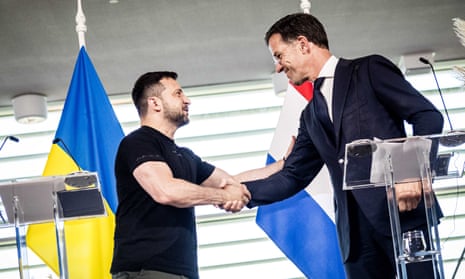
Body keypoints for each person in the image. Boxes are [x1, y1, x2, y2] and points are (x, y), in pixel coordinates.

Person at [241, 13, 444, 279]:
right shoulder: (310, 116)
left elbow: (427, 116)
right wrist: (239, 192)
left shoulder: (369, 71)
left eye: (279, 56)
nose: (278, 67)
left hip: (401, 218)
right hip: (356, 241)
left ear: (303, 44)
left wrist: (410, 173)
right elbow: (292, 176)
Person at [110, 71, 286, 279]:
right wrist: (223, 196)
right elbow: (166, 191)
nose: (187, 100)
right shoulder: (138, 142)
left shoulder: (184, 156)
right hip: (146, 270)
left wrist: (284, 164)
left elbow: (231, 182)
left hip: (181, 272)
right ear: (155, 103)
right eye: (178, 94)